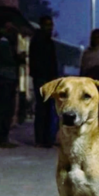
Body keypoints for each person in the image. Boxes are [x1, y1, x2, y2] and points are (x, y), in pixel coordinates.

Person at [29, 15, 60, 147]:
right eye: (47, 25)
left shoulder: (49, 42)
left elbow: (53, 63)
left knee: (48, 110)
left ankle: (47, 138)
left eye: (51, 25)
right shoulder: (37, 41)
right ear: (42, 26)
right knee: (42, 109)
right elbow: (36, 62)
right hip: (41, 79)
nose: (50, 28)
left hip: (49, 80)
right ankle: (41, 139)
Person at [0, 21, 20, 148]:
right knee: (4, 109)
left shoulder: (4, 41)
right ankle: (1, 138)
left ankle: (2, 137)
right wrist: (19, 57)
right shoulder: (3, 42)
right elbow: (9, 59)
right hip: (4, 78)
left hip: (6, 78)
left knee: (4, 109)